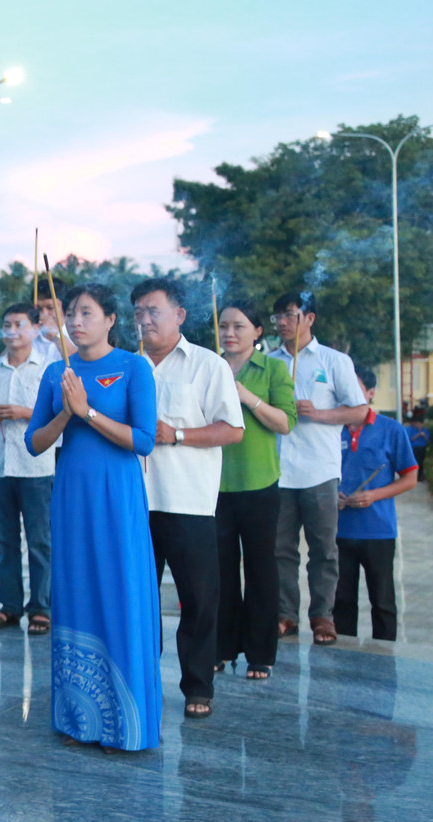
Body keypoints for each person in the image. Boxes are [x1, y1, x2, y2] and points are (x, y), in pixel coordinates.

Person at [25, 284, 161, 752]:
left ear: (111, 320)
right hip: (72, 495)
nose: (76, 322)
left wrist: (88, 412)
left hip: (117, 494)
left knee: (120, 590)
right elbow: (34, 443)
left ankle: (126, 724)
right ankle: (78, 719)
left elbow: (144, 439)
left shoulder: (133, 367)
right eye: (71, 314)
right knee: (76, 590)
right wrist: (66, 414)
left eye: (87, 313)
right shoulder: (56, 372)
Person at [134, 279, 244, 720]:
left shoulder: (207, 365)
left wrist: (176, 434)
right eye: (139, 312)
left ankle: (198, 685)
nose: (145, 320)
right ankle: (140, 683)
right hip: (135, 502)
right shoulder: (127, 366)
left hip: (188, 502)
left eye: (154, 311)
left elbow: (232, 429)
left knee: (198, 600)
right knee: (138, 599)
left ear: (179, 315)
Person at [268, 294, 368, 645]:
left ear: (309, 318)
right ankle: (285, 614)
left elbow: (360, 411)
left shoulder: (334, 361)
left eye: (289, 315)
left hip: (320, 471)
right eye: (277, 316)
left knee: (324, 549)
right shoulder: (269, 362)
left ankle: (323, 616)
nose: (282, 322)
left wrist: (318, 414)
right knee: (280, 549)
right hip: (278, 470)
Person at [215, 301, 296, 680]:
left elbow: (285, 422)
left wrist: (247, 397)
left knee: (262, 569)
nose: (229, 333)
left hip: (260, 483)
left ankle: (261, 653)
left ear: (258, 331)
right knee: (220, 570)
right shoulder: (210, 366)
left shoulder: (274, 368)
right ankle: (221, 647)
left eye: (239, 326)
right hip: (214, 484)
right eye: (223, 326)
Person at [0, 303, 55, 636]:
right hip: (0, 468)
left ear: (36, 328)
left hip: (37, 467)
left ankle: (41, 607)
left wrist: (23, 412)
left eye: (19, 325)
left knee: (40, 542)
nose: (10, 331)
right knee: (5, 542)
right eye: (6, 325)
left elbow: (60, 413)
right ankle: (9, 606)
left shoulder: (49, 367)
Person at [334, 368, 419, 641]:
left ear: (370, 393)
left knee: (382, 603)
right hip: (337, 531)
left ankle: (385, 657)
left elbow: (410, 478)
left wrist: (374, 495)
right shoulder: (330, 430)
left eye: (356, 388)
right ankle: (343, 656)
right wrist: (330, 495)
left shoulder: (391, 429)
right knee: (341, 602)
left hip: (378, 531)